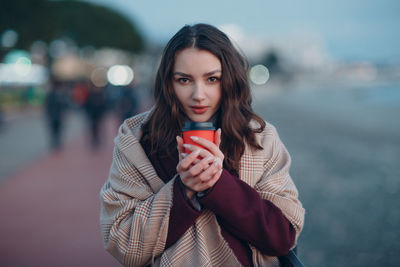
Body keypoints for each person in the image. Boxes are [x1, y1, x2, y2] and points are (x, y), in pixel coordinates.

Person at [100, 23, 305, 267]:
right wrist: (183, 190)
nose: (199, 94)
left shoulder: (259, 138)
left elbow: (282, 236)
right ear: (168, 82)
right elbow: (123, 244)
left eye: (212, 79)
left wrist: (218, 184)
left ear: (229, 79)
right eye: (184, 80)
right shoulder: (136, 140)